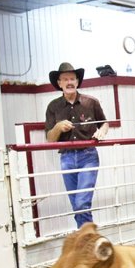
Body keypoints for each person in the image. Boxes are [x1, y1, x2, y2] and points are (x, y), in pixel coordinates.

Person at [45, 62, 110, 228]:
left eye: (72, 78)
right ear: (59, 83)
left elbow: (104, 123)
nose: (69, 82)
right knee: (77, 205)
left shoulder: (91, 102)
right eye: (65, 79)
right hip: (66, 158)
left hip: (88, 155)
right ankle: (89, 240)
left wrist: (101, 132)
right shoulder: (53, 107)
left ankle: (88, 241)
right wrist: (58, 127)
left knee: (81, 203)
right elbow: (50, 139)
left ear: (77, 81)